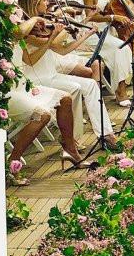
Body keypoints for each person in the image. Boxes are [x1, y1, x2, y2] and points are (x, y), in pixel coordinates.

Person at [18, 0, 117, 148]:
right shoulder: (30, 29)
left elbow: (62, 50)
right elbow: (52, 41)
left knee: (90, 85)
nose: (47, 3)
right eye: (43, 0)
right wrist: (62, 29)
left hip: (51, 75)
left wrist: (86, 33)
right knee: (76, 89)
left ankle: (105, 134)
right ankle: (71, 139)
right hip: (37, 78)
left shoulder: (44, 23)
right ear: (34, 3)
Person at [7, 16, 89, 179]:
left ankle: (70, 149)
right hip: (9, 91)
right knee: (43, 115)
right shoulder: (10, 35)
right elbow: (20, 31)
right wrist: (36, 18)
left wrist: (51, 37)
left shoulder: (19, 39)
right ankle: (13, 162)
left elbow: (29, 61)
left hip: (23, 86)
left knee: (65, 99)